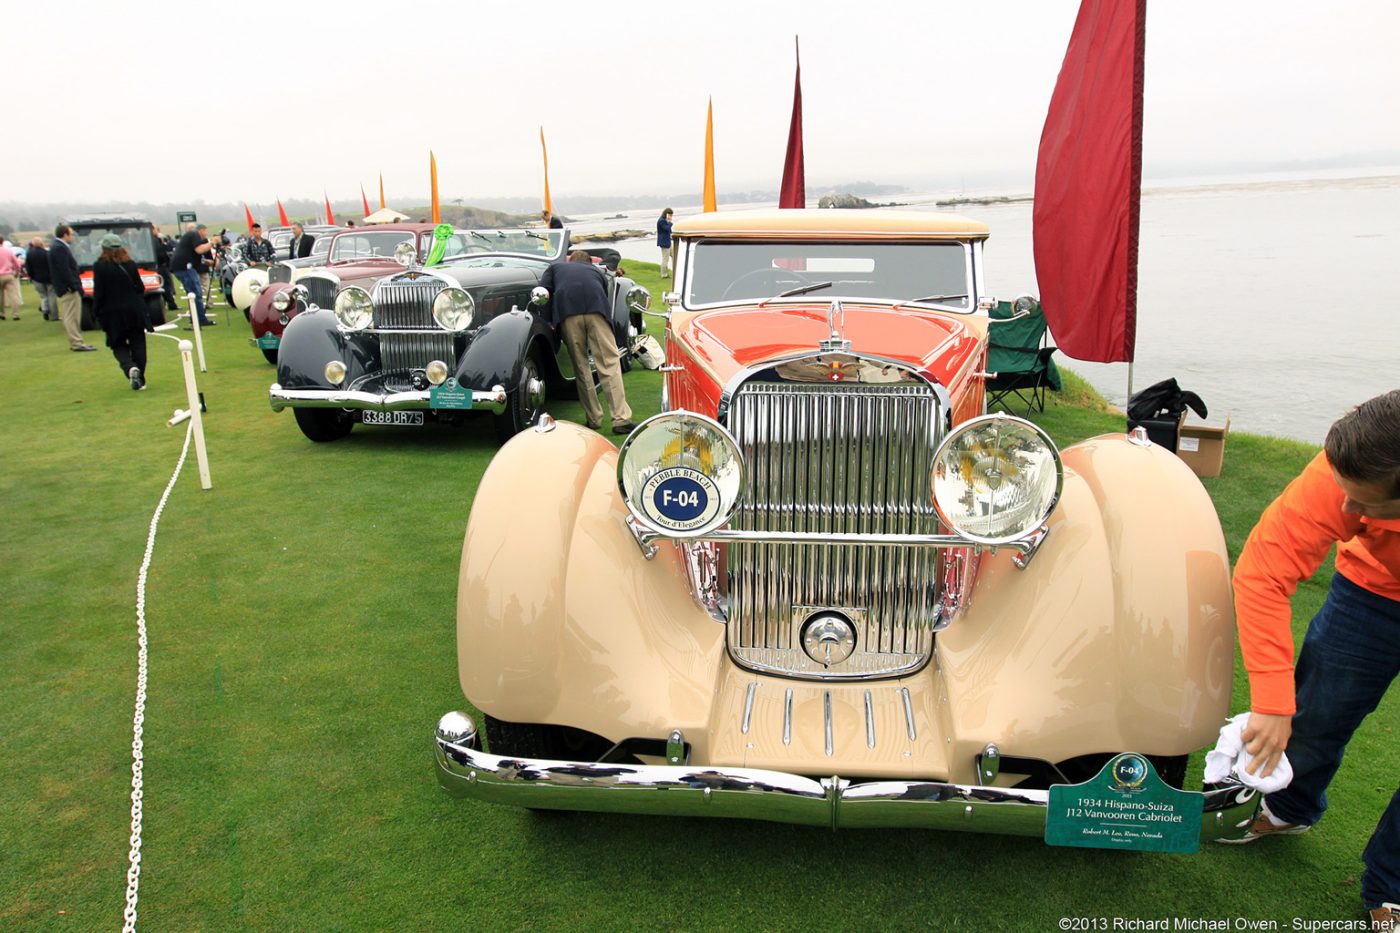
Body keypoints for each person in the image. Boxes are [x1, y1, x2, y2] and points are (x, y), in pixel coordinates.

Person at [1225, 389, 1400, 929]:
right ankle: (1288, 810)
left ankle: (1392, 886)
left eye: (1364, 504)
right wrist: (1274, 702)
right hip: (1371, 592)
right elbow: (1262, 573)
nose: (1346, 513)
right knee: (1318, 713)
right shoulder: (1351, 464)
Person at [540, 250, 633, 434]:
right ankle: (620, 419)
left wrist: (550, 321)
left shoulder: (555, 268)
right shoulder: (596, 272)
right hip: (596, 311)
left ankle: (594, 418)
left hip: (568, 314)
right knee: (609, 362)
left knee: (581, 367)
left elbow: (543, 293)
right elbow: (604, 291)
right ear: (589, 262)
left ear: (570, 261)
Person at [92, 234, 154, 390]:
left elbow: (99, 292)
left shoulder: (100, 266)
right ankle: (140, 378)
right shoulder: (131, 264)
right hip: (133, 309)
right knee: (138, 343)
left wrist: (95, 311)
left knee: (117, 343)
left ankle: (129, 367)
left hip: (112, 312)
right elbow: (140, 288)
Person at [50, 225, 95, 351]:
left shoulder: (58, 247)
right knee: (71, 316)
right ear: (65, 234)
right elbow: (64, 269)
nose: (72, 236)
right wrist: (73, 285)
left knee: (72, 316)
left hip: (67, 286)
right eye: (71, 234)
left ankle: (77, 341)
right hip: (68, 288)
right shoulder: (59, 248)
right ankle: (76, 343)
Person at [170, 223, 214, 325]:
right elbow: (199, 250)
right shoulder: (195, 234)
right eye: (205, 231)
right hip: (185, 267)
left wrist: (204, 261)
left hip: (180, 267)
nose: (206, 234)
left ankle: (195, 317)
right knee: (195, 293)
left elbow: (191, 253)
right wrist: (212, 242)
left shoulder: (190, 236)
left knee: (192, 293)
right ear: (202, 230)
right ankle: (200, 319)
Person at [25, 237, 55, 320]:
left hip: (37, 278)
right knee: (51, 295)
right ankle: (54, 314)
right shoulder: (46, 253)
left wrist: (32, 277)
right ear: (42, 243)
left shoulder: (29, 254)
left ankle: (45, 310)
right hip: (48, 277)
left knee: (43, 296)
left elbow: (28, 267)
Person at [151, 224, 179, 312]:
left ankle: (168, 303)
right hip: (161, 266)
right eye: (156, 229)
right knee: (166, 285)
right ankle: (171, 304)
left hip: (161, 265)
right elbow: (161, 252)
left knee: (165, 285)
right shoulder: (155, 240)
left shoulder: (154, 240)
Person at [0, 239, 22, 321]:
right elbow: (16, 263)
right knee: (13, 295)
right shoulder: (8, 251)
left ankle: (2, 313)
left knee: (1, 296)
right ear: (2, 242)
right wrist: (17, 272)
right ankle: (15, 314)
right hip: (8, 274)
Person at [656, 207, 674, 277]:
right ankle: (664, 274)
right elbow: (668, 229)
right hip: (664, 242)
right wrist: (669, 221)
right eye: (670, 215)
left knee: (674, 255)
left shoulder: (665, 220)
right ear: (666, 214)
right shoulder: (661, 221)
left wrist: (669, 222)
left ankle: (675, 270)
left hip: (668, 241)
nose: (671, 217)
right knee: (665, 259)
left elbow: (671, 228)